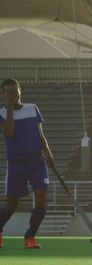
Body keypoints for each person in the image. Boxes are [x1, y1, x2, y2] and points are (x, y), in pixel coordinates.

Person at [0, 78, 55, 249]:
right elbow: (9, 133)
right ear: (3, 94)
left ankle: (30, 237)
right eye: (9, 93)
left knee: (41, 200)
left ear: (20, 91)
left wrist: (47, 152)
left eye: (16, 91)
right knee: (11, 206)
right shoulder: (1, 112)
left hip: (37, 161)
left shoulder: (32, 108)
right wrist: (9, 107)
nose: (13, 95)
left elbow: (40, 134)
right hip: (16, 164)